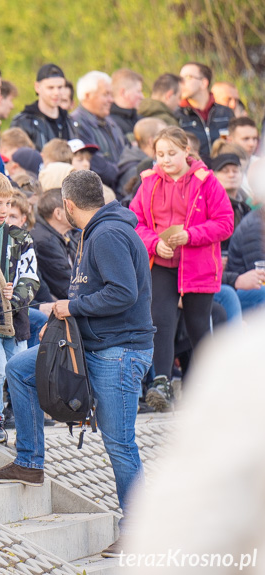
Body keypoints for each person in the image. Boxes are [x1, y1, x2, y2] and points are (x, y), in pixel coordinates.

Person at [0, 170, 155, 558]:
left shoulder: (108, 234)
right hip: (96, 344)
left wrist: (69, 307)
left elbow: (122, 294)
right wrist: (66, 321)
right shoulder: (99, 230)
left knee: (120, 444)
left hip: (120, 352)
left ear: (70, 205)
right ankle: (29, 460)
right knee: (21, 370)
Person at [130, 126, 233, 411]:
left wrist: (191, 235)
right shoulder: (149, 182)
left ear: (186, 152)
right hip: (162, 261)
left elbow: (225, 222)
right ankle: (161, 382)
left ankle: (204, 384)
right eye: (160, 154)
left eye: (171, 153)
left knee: (197, 325)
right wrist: (153, 243)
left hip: (197, 264)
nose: (165, 159)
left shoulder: (206, 181)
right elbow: (135, 222)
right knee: (160, 320)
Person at [0, 171, 39, 441]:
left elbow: (31, 277)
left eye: (8, 204)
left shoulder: (20, 237)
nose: (4, 210)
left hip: (16, 317)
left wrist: (15, 296)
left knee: (19, 368)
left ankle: (26, 419)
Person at [175, 62, 233, 162]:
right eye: (180, 79)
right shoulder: (178, 116)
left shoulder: (226, 113)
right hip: (195, 175)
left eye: (188, 77)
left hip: (224, 173)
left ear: (203, 83)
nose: (181, 83)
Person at [11, 64, 77, 151]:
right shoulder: (23, 123)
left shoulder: (71, 123)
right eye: (50, 88)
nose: (56, 92)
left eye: (60, 87)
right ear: (37, 87)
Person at [71, 71, 127, 168]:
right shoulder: (76, 123)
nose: (111, 100)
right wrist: (121, 174)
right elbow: (95, 163)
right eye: (106, 94)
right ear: (87, 96)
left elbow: (125, 152)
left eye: (111, 95)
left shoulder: (111, 122)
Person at [109, 69, 144, 138]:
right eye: (138, 91)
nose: (142, 97)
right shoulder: (110, 124)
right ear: (123, 92)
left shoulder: (140, 120)